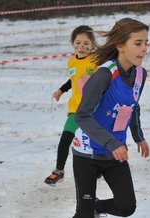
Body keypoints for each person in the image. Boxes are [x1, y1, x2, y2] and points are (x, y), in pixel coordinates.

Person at [42, 18, 150, 218]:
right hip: (87, 154)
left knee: (126, 206)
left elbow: (132, 107)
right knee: (81, 216)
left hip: (115, 154)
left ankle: (97, 210)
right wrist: (112, 143)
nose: (145, 48)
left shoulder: (141, 74)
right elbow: (81, 115)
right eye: (139, 43)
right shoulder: (104, 74)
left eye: (146, 42)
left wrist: (139, 137)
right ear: (121, 45)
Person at [44, 25, 98, 185]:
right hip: (75, 109)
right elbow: (72, 80)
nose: (82, 46)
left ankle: (100, 167)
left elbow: (105, 79)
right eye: (78, 42)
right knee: (66, 138)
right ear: (72, 43)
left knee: (94, 140)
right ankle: (59, 170)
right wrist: (61, 90)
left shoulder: (96, 60)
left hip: (94, 109)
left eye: (86, 43)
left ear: (93, 45)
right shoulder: (72, 62)